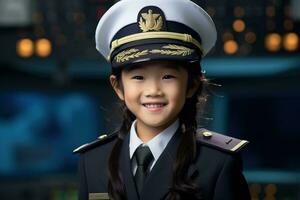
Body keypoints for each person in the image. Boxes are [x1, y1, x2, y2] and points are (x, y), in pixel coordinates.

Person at [74, 0, 251, 199]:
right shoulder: (92, 161)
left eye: (168, 76)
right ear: (118, 87)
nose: (153, 90)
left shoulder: (217, 163)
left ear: (192, 84)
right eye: (138, 77)